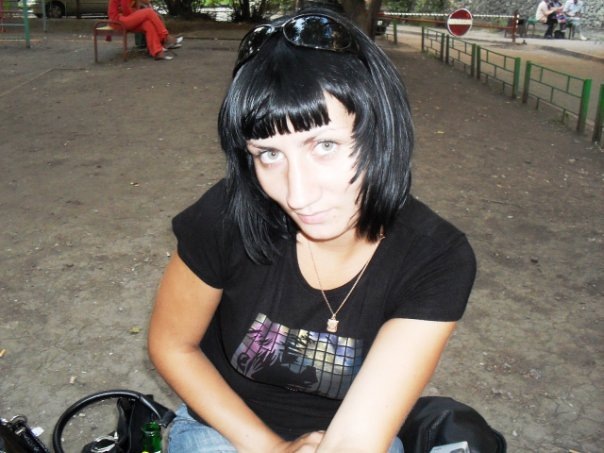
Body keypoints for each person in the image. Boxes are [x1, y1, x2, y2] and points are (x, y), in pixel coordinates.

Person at [148, 8, 476, 452]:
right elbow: (173, 345)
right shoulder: (228, 215)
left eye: (324, 145)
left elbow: (357, 439)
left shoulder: (434, 258)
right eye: (269, 154)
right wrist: (272, 448)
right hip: (225, 427)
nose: (297, 194)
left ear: (381, 130)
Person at [107, 0, 183, 61]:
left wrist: (138, 15)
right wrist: (138, 15)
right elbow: (126, 11)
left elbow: (139, 6)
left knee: (148, 24)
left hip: (126, 20)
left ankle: (157, 52)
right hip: (118, 21)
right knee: (149, 12)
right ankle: (165, 37)